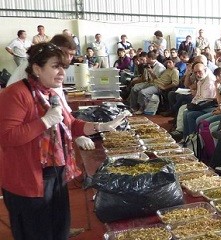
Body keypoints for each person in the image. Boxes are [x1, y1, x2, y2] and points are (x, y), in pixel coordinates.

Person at [0, 42, 127, 240]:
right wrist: (44, 122)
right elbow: (7, 137)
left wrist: (102, 126)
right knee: (36, 233)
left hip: (54, 174)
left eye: (63, 67)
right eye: (55, 66)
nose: (62, 72)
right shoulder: (15, 94)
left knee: (59, 229)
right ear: (36, 68)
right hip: (27, 180)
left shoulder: (50, 93)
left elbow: (71, 124)